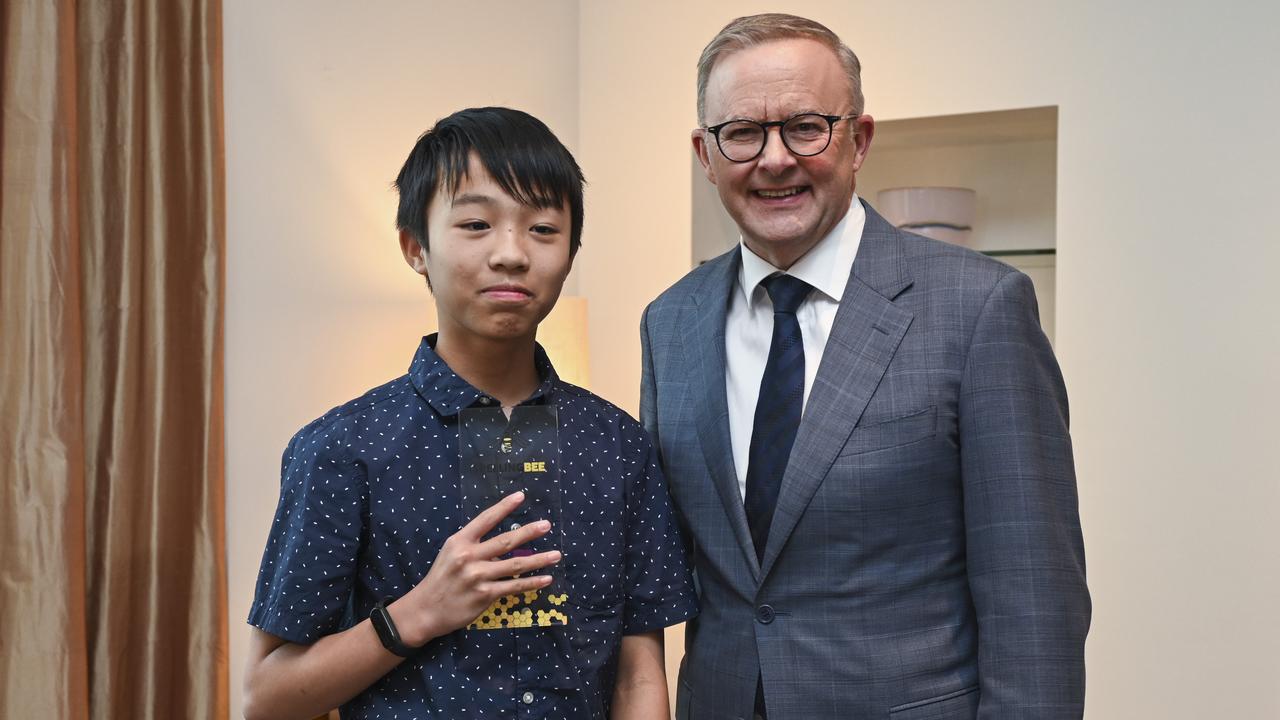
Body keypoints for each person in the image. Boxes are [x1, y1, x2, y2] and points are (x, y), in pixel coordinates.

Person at [640, 14, 1090, 719]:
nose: (775, 159)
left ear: (860, 140)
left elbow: (1034, 602)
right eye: (743, 133)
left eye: (806, 126)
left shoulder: (979, 308)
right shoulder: (669, 323)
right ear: (706, 152)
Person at [245, 107, 696, 720]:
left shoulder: (618, 444)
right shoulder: (341, 447)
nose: (511, 254)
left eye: (542, 228)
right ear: (416, 248)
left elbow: (638, 678)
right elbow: (266, 697)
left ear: (570, 252)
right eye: (477, 224)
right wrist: (420, 611)